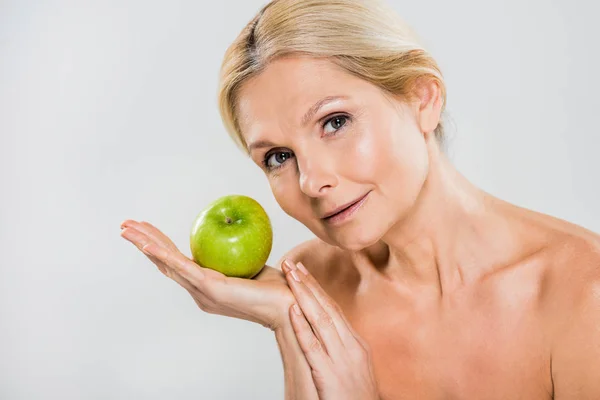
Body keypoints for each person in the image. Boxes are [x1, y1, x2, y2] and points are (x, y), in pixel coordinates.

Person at [120, 0, 600, 398]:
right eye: (279, 157)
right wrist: (290, 324)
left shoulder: (582, 295)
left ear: (422, 98)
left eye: (334, 122)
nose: (310, 181)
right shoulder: (311, 288)